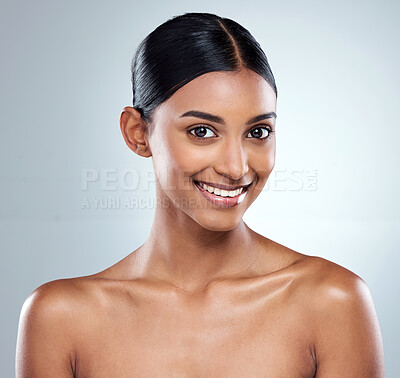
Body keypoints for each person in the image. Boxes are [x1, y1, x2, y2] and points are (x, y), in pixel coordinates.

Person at [16, 12, 384, 377]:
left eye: (257, 132)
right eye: (202, 131)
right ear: (137, 133)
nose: (236, 167)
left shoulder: (332, 302)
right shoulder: (60, 320)